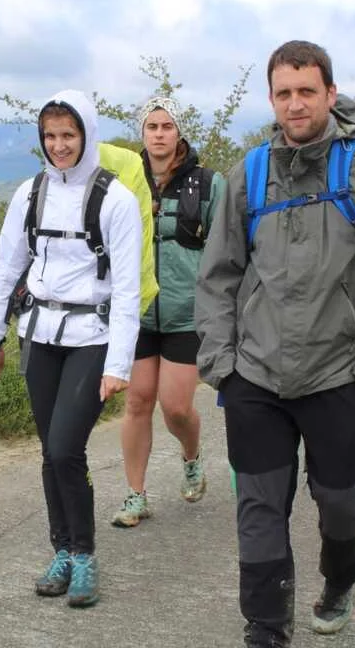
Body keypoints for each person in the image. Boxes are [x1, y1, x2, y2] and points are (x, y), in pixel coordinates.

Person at [195, 40, 355, 646]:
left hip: (340, 375)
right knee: (259, 507)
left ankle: (339, 582)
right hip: (255, 376)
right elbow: (218, 274)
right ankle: (266, 625)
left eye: (307, 92)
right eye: (284, 93)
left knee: (342, 503)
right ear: (271, 99)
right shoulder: (250, 173)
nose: (295, 104)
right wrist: (221, 363)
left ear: (330, 94)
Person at [0, 89, 142, 608]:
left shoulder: (116, 200)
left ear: (87, 134)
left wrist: (119, 364)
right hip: (39, 335)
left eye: (68, 134)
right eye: (50, 136)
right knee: (51, 451)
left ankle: (85, 555)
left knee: (67, 448)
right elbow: (6, 269)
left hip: (92, 338)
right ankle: (62, 551)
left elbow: (128, 289)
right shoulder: (30, 194)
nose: (59, 145)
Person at [110, 96, 225, 528]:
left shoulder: (208, 183)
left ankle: (191, 456)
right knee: (137, 400)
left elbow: (226, 246)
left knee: (175, 407)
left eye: (167, 126)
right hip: (136, 312)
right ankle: (135, 494)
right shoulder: (124, 182)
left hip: (186, 313)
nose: (159, 134)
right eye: (152, 126)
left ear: (179, 132)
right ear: (141, 133)